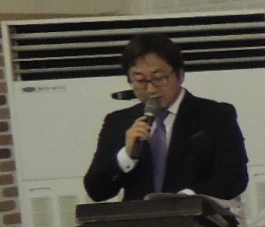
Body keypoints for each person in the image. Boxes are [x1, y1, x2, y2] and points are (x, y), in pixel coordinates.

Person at [83, 34, 250, 204]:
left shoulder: (216, 115)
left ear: (180, 75)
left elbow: (234, 177)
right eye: (140, 80)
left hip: (196, 217)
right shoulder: (119, 122)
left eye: (159, 78)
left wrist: (187, 199)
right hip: (139, 220)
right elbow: (96, 191)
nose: (151, 89)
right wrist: (126, 156)